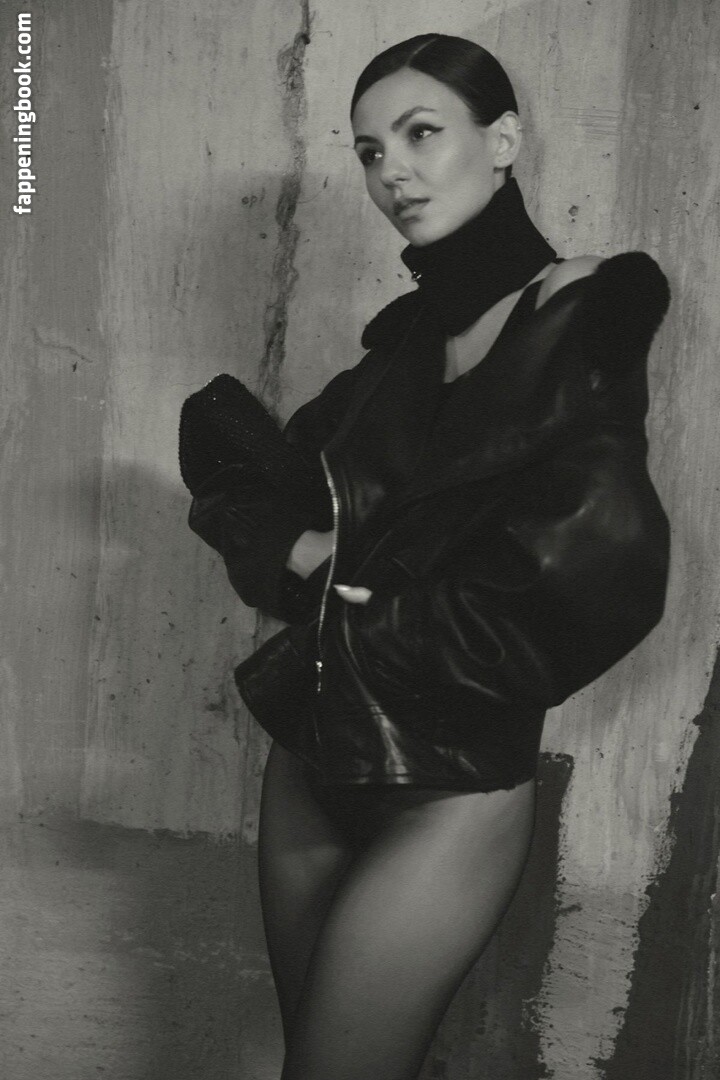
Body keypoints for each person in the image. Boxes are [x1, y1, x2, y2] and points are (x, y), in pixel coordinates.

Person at [183, 33, 671, 1080]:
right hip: (312, 761)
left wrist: (384, 621)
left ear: (503, 140)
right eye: (369, 152)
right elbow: (250, 484)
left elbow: (602, 569)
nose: (391, 173)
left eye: (419, 134)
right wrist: (302, 554)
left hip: (451, 785)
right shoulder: (398, 346)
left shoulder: (584, 310)